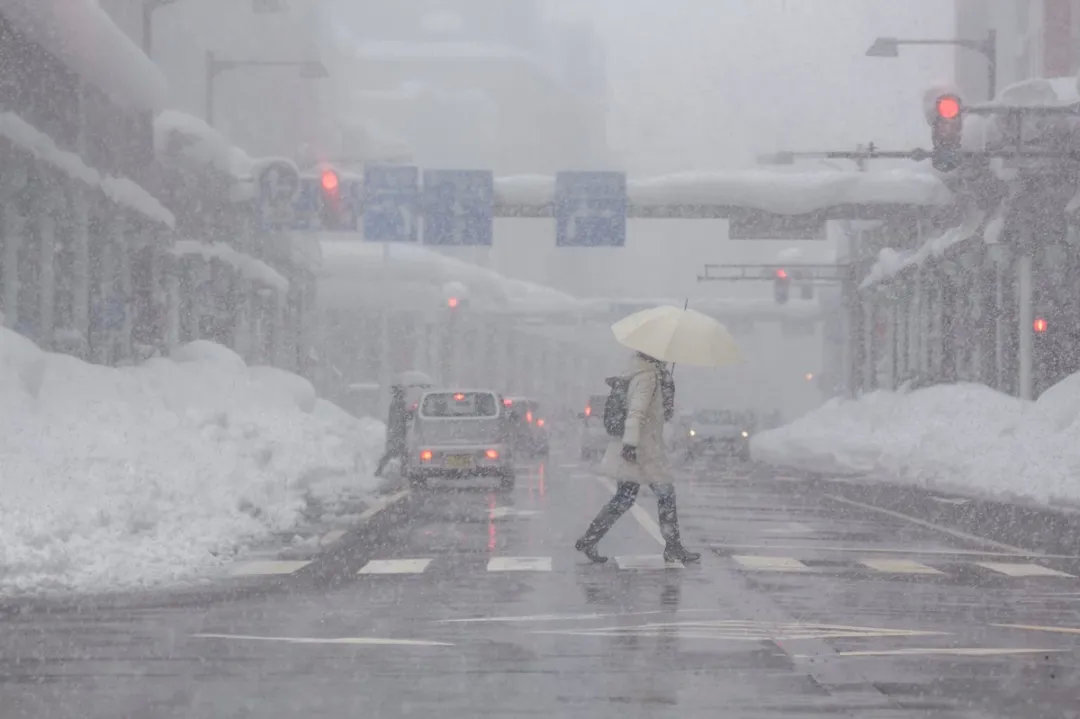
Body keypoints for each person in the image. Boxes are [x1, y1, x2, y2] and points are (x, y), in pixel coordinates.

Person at [575, 351, 701, 564]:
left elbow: (657, 413)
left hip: (637, 447)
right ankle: (673, 546)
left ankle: (589, 538)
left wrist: (667, 391)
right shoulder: (648, 377)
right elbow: (637, 412)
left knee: (624, 498)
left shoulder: (641, 373)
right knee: (665, 494)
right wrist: (631, 444)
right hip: (642, 450)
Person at [375, 384, 408, 478]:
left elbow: (393, 420)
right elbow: (400, 419)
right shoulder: (399, 403)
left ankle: (380, 469)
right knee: (401, 453)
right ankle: (402, 471)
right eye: (402, 393)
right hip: (399, 433)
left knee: (394, 453)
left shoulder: (394, 403)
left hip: (394, 432)